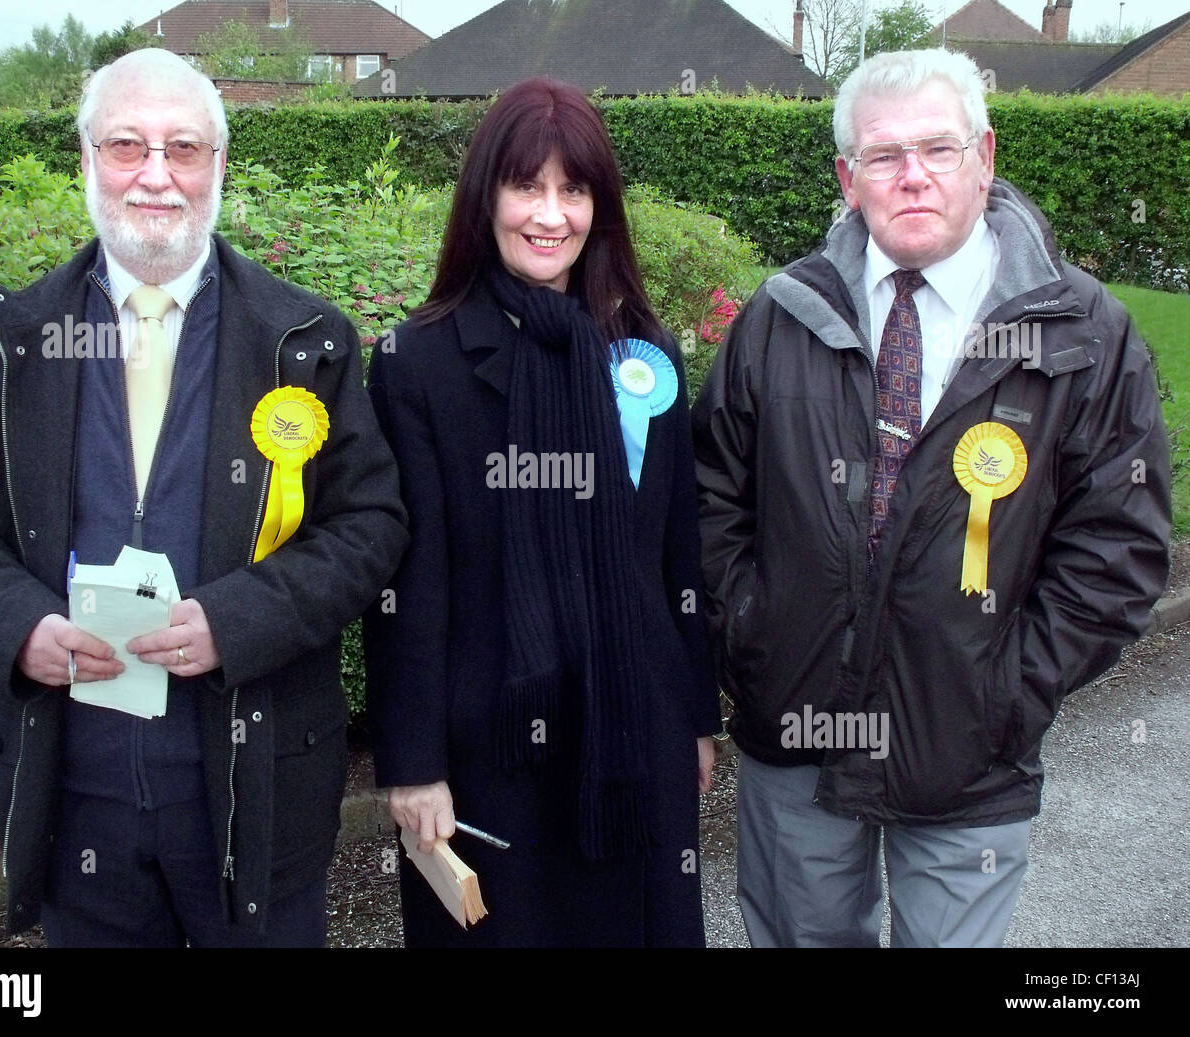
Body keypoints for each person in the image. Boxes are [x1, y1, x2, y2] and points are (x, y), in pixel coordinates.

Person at [0, 49, 407, 947]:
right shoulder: (16, 339)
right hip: (78, 801)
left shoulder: (305, 338)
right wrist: (18, 622)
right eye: (126, 145)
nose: (155, 175)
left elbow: (369, 526)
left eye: (183, 148)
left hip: (253, 801)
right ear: (86, 161)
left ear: (219, 165)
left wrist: (239, 618)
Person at [692, 48, 1170, 948]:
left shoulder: (1083, 333)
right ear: (847, 177)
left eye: (937, 149)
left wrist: (1010, 688)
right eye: (882, 155)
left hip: (971, 748)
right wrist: (752, 636)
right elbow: (712, 496)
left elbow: (1119, 545)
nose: (912, 175)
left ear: (984, 157)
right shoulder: (782, 315)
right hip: (798, 726)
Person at [364, 77, 722, 947]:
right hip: (492, 754)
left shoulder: (644, 353)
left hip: (633, 732)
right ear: (487, 195)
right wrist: (413, 766)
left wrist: (699, 717)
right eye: (527, 185)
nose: (549, 214)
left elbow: (680, 548)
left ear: (600, 204)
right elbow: (410, 584)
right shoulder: (420, 363)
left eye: (574, 189)